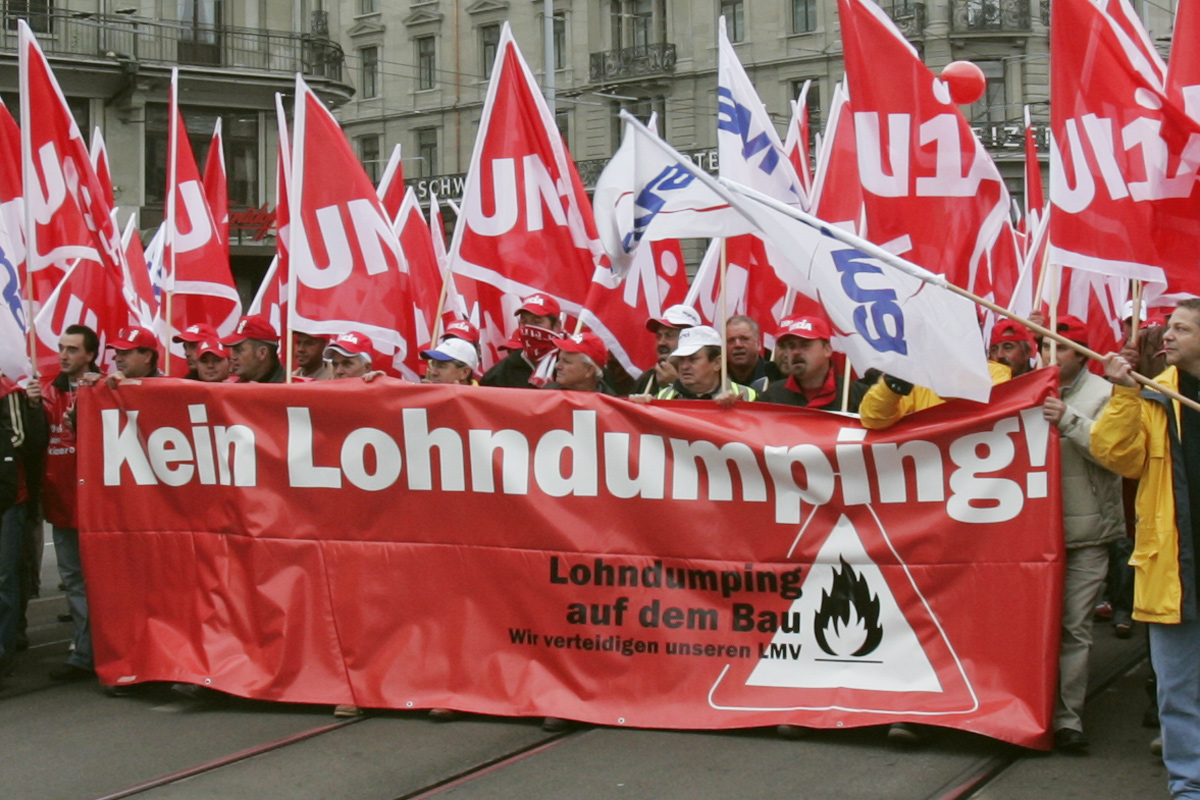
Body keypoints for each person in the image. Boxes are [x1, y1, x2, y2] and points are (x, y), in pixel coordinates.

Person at [1092, 298, 1200, 797]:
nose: (1166, 336)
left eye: (1180, 328)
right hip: (1176, 572)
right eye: (1168, 326)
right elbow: (1115, 454)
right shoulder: (1156, 397)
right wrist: (1123, 393)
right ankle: (1189, 787)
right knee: (1178, 693)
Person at [1040, 316, 1125, 755]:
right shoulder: (1027, 389)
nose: (1048, 356)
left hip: (1087, 535)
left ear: (1083, 355)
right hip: (1033, 536)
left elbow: (1117, 456)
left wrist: (1069, 420)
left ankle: (1067, 719)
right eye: (1042, 347)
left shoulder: (1107, 394)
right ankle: (1032, 710)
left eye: (1060, 349)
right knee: (1036, 628)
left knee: (1075, 628)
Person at [27, 325, 99, 683]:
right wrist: (28, 408)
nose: (64, 355)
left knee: (103, 581)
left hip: (101, 507)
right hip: (62, 503)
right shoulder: (45, 394)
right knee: (74, 581)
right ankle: (84, 652)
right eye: (61, 348)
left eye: (72, 349)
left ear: (90, 355)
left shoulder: (106, 389)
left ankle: (107, 649)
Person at [0, 370, 47, 689]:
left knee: (4, 578)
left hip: (7, 498)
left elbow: (21, 439)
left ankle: (3, 653)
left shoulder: (7, 390)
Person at [758, 315, 865, 412]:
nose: (795, 352)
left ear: (827, 350)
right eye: (791, 346)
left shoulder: (857, 396)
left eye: (805, 345)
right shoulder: (772, 397)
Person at [652, 326, 757, 402]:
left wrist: (735, 410)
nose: (684, 366)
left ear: (717, 363)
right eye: (681, 360)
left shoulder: (748, 397)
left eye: (693, 359)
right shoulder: (662, 398)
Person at [480, 293, 562, 389]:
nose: (529, 327)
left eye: (537, 322)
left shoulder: (571, 364)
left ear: (556, 326)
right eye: (524, 322)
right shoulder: (501, 372)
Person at [628, 304, 702, 396]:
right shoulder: (648, 378)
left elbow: (703, 407)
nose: (661, 343)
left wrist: (675, 384)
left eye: (669, 335)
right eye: (659, 336)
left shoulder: (706, 377)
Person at [222, 315, 286, 384]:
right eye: (233, 349)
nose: (233, 357)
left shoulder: (290, 390)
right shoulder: (230, 384)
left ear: (262, 353)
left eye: (239, 350)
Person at [726, 315, 782, 391]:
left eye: (744, 339)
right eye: (731, 340)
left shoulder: (774, 377)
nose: (738, 345)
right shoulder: (716, 379)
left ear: (758, 344)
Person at [547, 333, 613, 393]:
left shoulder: (611, 404)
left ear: (589, 370)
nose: (557, 366)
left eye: (567, 362)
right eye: (559, 359)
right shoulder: (547, 393)